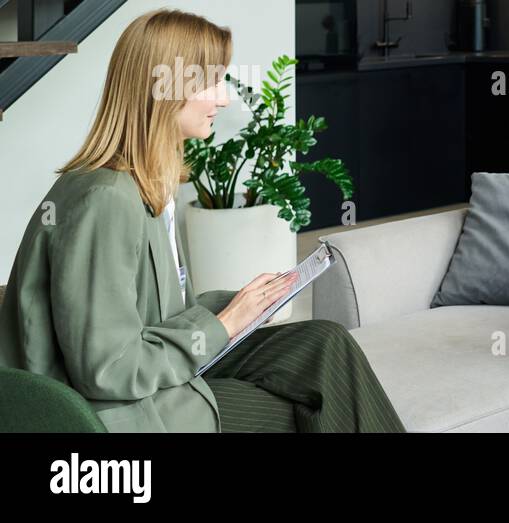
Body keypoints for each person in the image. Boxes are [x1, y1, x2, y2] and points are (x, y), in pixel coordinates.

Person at [0, 9, 405, 433]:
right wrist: (222, 324)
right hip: (119, 408)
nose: (223, 98)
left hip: (158, 370)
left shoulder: (148, 183)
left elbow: (154, 316)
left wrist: (241, 306)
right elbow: (108, 368)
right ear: (163, 90)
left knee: (324, 343)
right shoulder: (106, 200)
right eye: (211, 82)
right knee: (297, 409)